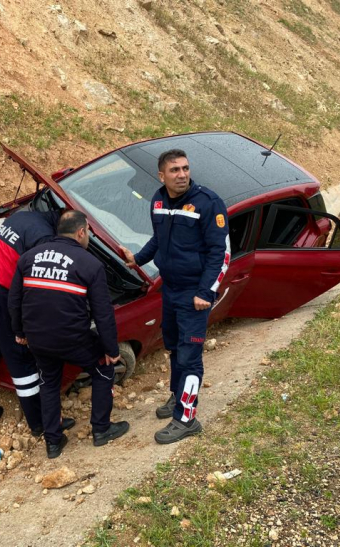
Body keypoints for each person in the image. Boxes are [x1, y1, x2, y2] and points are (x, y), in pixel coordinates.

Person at [121, 149, 229, 444]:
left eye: (185, 168)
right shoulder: (157, 201)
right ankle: (176, 394)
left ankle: (187, 418)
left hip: (195, 295)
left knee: (190, 355)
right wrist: (138, 260)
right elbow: (159, 239)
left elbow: (221, 254)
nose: (182, 175)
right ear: (162, 176)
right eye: (175, 170)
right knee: (174, 348)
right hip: (169, 290)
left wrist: (206, 292)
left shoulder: (209, 203)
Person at [9, 210, 129, 458]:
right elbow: (103, 313)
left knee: (49, 383)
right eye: (89, 233)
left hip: (38, 339)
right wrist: (111, 350)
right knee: (103, 369)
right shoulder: (90, 264)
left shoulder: (28, 258)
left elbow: (15, 300)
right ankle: (101, 429)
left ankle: (53, 443)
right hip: (73, 339)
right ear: (81, 232)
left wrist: (20, 332)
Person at [0, 209, 60, 435]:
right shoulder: (44, 236)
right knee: (21, 360)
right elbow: (38, 282)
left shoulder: (21, 216)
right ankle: (40, 425)